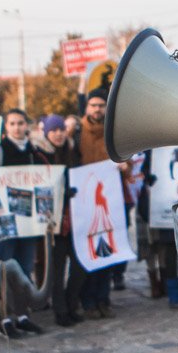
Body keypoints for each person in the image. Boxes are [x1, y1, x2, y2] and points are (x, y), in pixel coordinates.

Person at [0, 108, 49, 336]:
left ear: (27, 125)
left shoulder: (34, 152)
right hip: (4, 226)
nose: (17, 127)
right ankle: (2, 318)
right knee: (3, 270)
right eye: (13, 124)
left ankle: (22, 314)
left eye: (21, 123)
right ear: (6, 127)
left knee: (24, 269)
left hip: (27, 223)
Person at [77, 88, 131, 318]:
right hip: (84, 200)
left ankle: (103, 298)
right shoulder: (77, 132)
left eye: (101, 105)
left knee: (108, 249)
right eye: (93, 106)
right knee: (89, 250)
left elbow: (126, 162)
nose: (97, 110)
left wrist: (124, 167)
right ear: (87, 108)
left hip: (111, 200)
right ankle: (87, 300)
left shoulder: (114, 132)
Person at [39, 115, 82, 327]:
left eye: (61, 130)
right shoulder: (41, 156)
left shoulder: (73, 152)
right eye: (54, 130)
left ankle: (72, 303)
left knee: (79, 266)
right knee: (57, 270)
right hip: (53, 224)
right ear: (47, 132)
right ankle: (61, 310)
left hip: (74, 219)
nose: (58, 134)